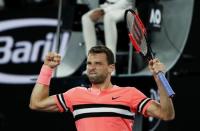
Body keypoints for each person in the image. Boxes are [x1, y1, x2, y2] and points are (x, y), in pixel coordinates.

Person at [29, 45, 175, 131]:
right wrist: (47, 68)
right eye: (89, 63)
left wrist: (159, 81)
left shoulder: (129, 93)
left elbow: (166, 114)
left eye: (98, 64)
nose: (92, 68)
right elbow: (37, 103)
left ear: (111, 68)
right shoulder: (75, 94)